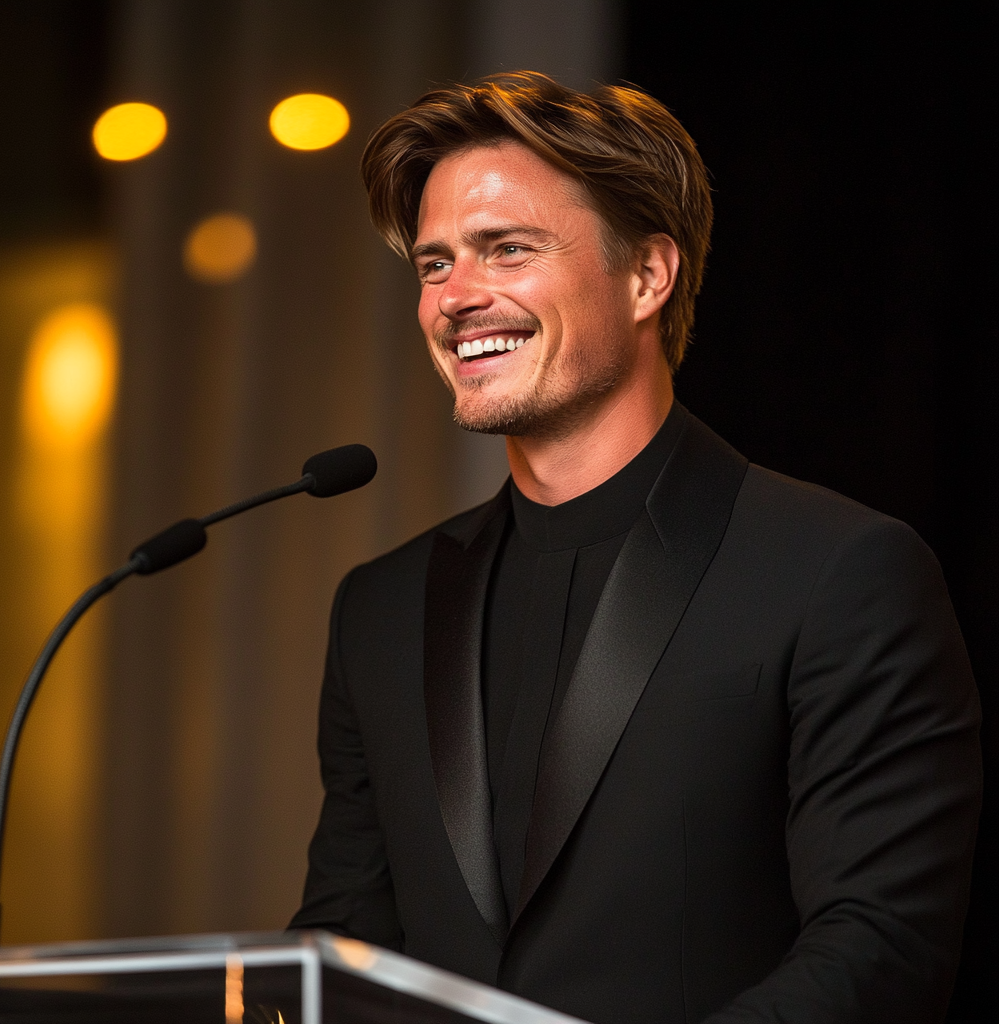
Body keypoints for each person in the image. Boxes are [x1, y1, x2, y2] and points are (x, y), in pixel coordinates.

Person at [289, 72, 981, 1024]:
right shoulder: (381, 606)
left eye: (508, 250)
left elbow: (881, 952)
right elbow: (341, 948)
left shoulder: (838, 571)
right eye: (435, 264)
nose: (456, 297)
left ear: (648, 275)